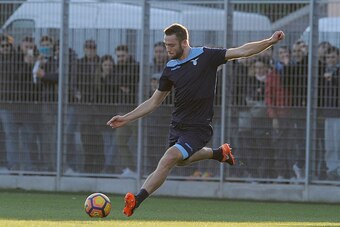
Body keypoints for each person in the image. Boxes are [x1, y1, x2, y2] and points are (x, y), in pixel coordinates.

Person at [107, 23, 284, 216]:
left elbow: (241, 51)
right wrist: (126, 118)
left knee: (169, 158)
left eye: (172, 45)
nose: (168, 49)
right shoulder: (170, 68)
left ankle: (136, 199)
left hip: (198, 127)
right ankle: (218, 154)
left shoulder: (206, 56)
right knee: (181, 161)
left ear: (184, 42)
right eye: (166, 45)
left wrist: (270, 41)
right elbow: (154, 101)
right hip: (177, 126)